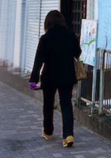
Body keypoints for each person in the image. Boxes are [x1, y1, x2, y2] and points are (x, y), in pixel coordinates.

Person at [28, 10, 81, 147]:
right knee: (66, 104)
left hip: (49, 76)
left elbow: (38, 60)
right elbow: (78, 52)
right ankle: (68, 135)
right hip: (67, 75)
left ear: (48, 23)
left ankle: (48, 132)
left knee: (48, 105)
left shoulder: (45, 38)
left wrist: (33, 79)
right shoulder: (70, 35)